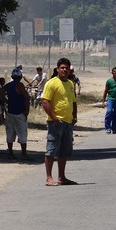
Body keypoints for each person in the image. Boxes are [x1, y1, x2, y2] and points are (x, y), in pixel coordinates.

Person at [41, 57, 78, 186]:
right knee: (51, 149)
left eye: (67, 68)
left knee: (64, 151)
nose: (64, 70)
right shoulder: (52, 83)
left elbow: (73, 101)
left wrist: (74, 116)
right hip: (55, 122)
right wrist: (54, 117)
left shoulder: (70, 84)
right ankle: (49, 177)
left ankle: (62, 177)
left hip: (68, 123)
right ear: (57, 69)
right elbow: (45, 101)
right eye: (62, 68)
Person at [0, 69, 30, 160]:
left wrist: (7, 101)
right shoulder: (20, 85)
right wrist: (26, 110)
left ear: (12, 77)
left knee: (10, 132)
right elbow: (26, 97)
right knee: (22, 132)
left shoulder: (8, 85)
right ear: (20, 77)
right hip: (19, 113)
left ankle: (10, 153)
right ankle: (24, 154)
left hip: (10, 113)